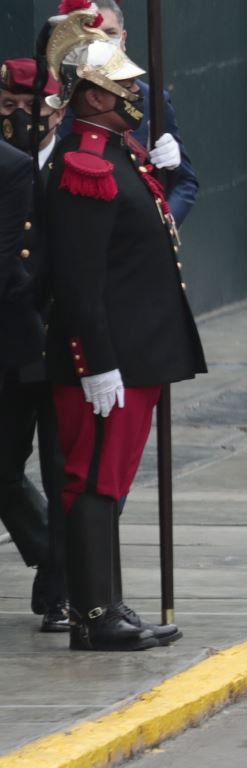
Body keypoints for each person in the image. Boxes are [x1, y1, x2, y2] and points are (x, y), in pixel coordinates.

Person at [41, 0, 206, 650]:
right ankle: (92, 614)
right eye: (123, 85)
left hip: (139, 350)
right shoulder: (85, 164)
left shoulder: (119, 152)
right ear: (90, 97)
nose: (137, 90)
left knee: (109, 480)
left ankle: (105, 602)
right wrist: (97, 360)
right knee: (94, 481)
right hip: (111, 356)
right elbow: (79, 280)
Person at [0, 78, 65, 633]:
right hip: (13, 342)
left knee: (66, 470)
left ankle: (67, 584)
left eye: (33, 106)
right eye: (9, 106)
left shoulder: (74, 158)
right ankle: (54, 553)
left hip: (64, 336)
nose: (23, 116)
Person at [88, 0, 198, 226]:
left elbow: (186, 183)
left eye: (110, 33)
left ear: (124, 39)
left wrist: (163, 226)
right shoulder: (59, 102)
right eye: (93, 34)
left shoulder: (152, 100)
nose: (104, 42)